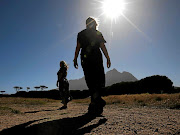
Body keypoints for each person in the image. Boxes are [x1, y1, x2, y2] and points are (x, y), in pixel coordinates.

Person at [73, 17, 111, 115]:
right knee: (98, 79)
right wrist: (107, 58)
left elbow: (78, 47)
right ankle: (96, 101)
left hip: (85, 58)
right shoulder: (97, 33)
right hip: (96, 58)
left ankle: (95, 101)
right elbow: (102, 46)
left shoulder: (81, 34)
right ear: (95, 23)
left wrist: (75, 58)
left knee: (90, 80)